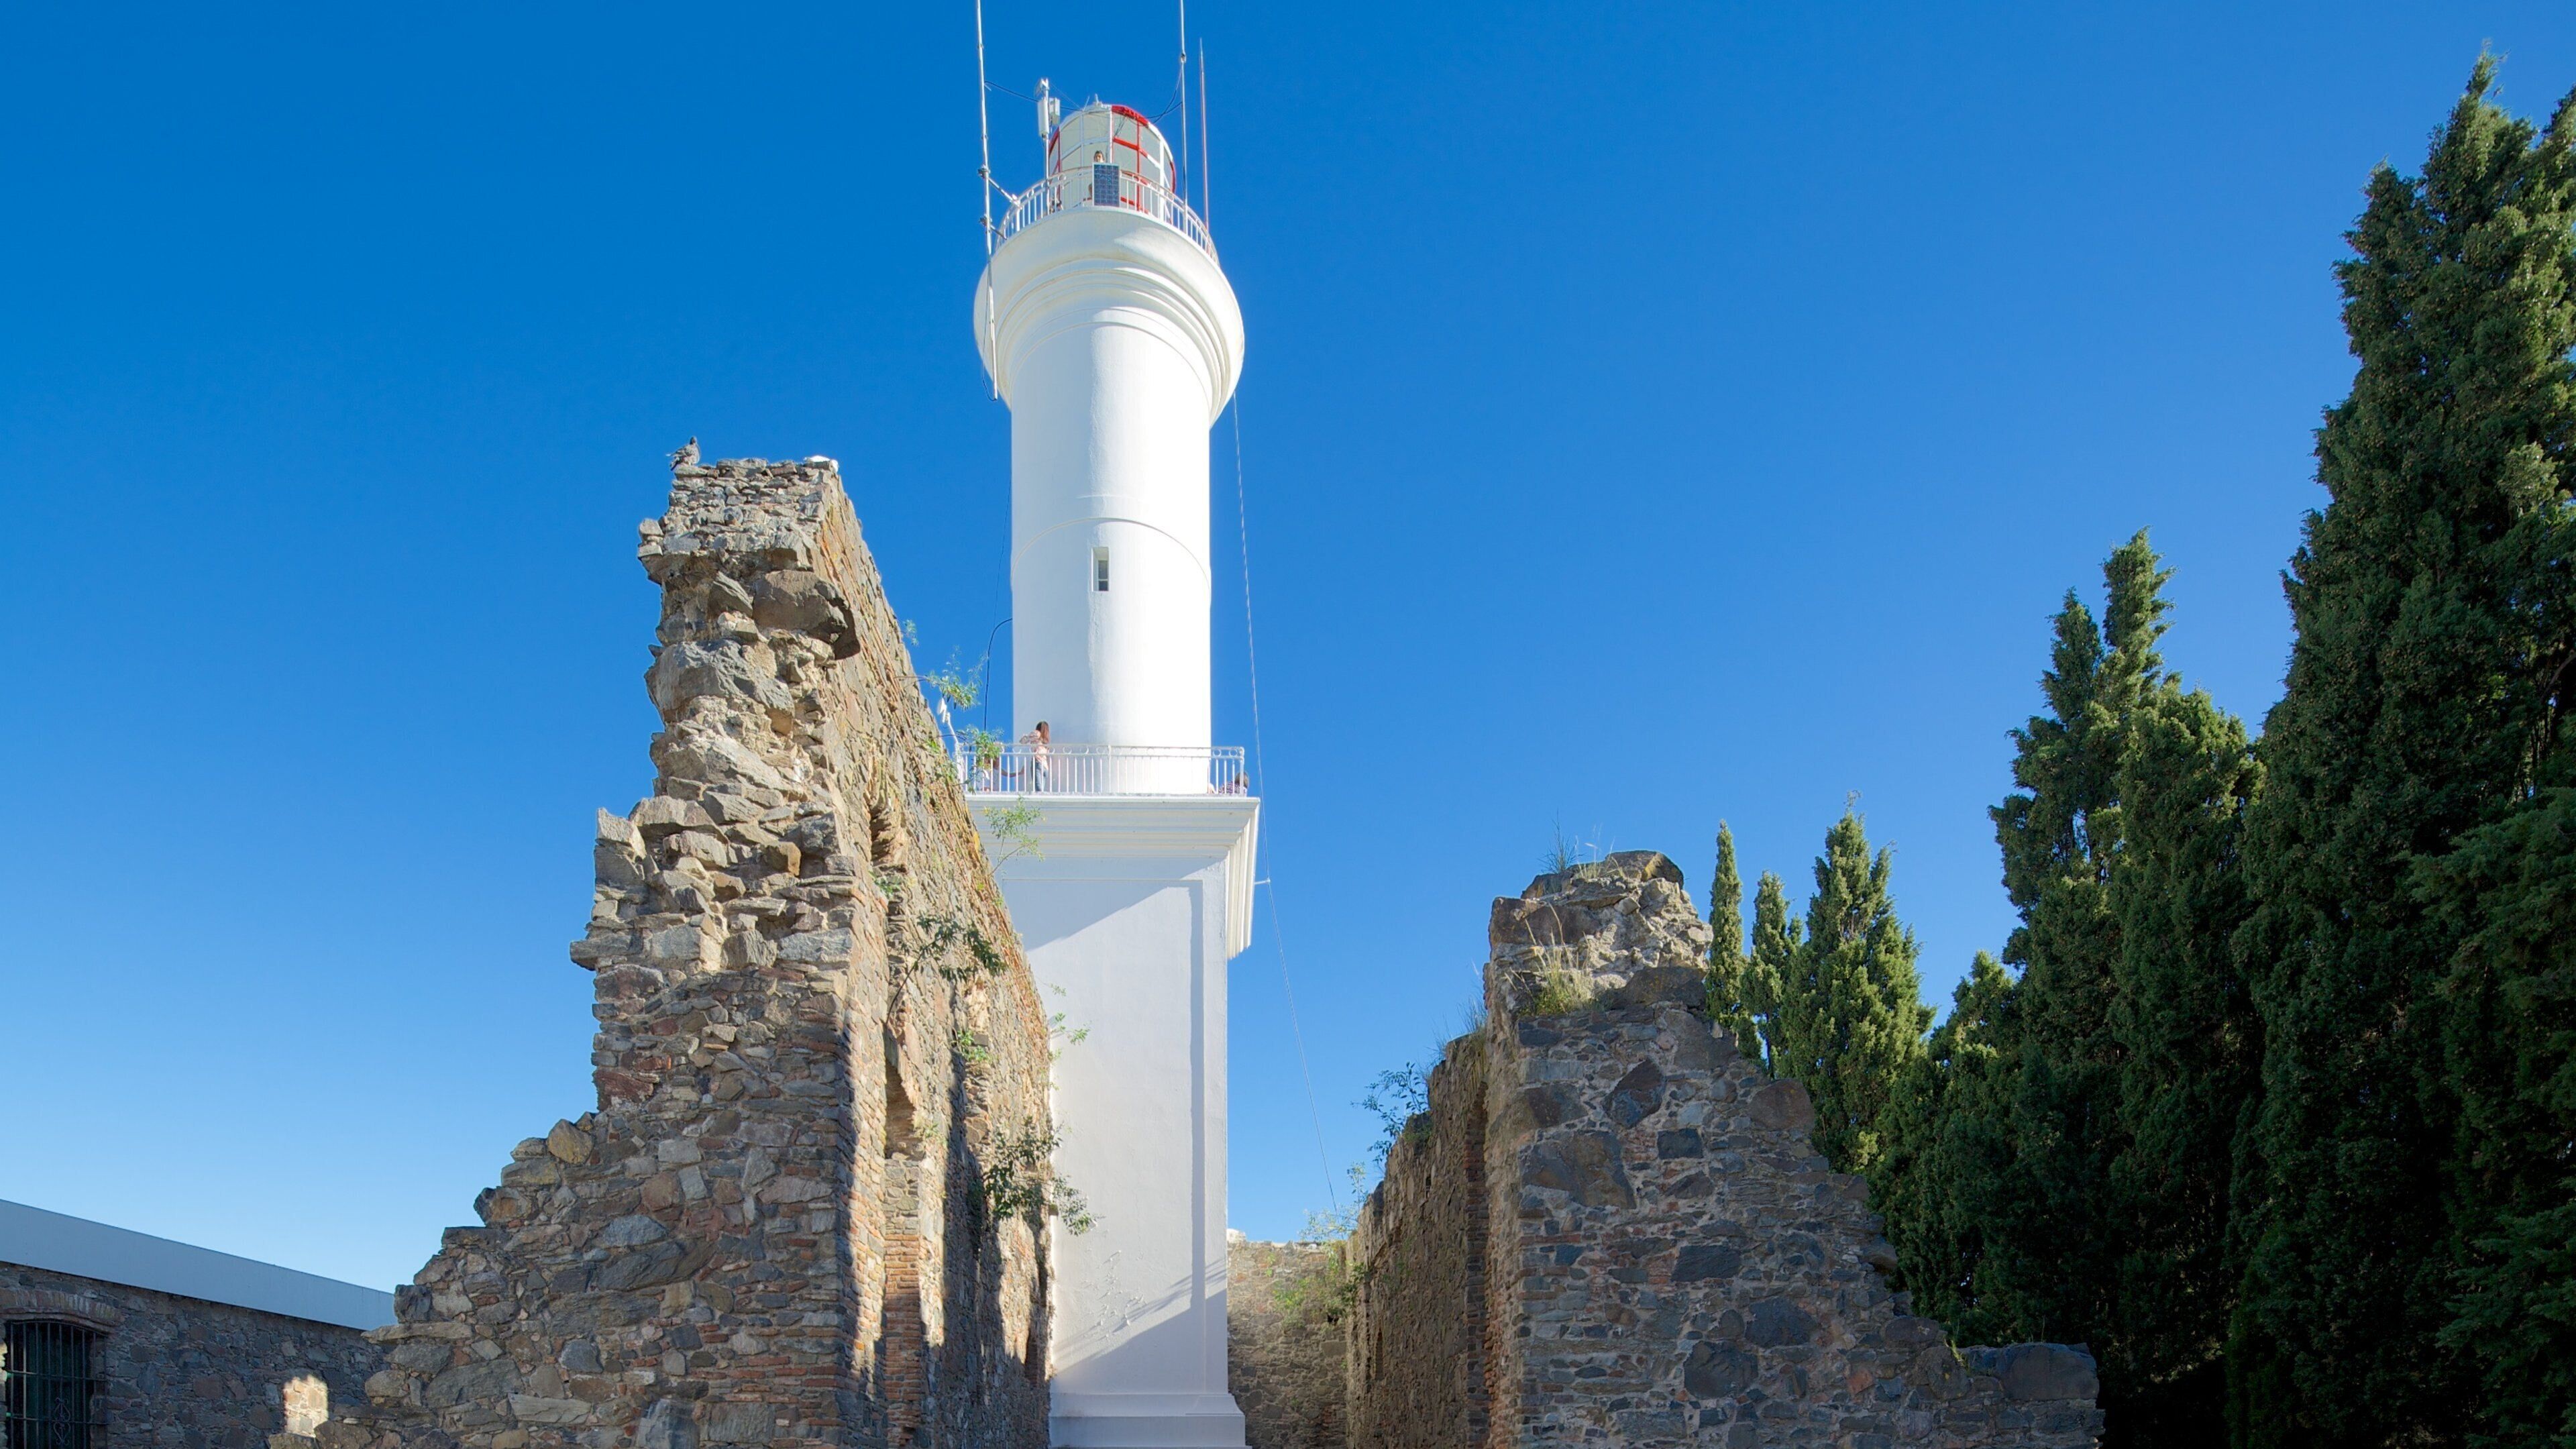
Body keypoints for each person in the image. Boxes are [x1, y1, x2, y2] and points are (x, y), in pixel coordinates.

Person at [1018, 720, 1052, 792]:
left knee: (1038, 790)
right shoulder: (1045, 741)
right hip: (1045, 767)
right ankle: (1042, 802)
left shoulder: (1037, 733)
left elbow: (1022, 742)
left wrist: (1026, 737)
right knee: (1041, 790)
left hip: (1037, 763)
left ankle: (1040, 803)